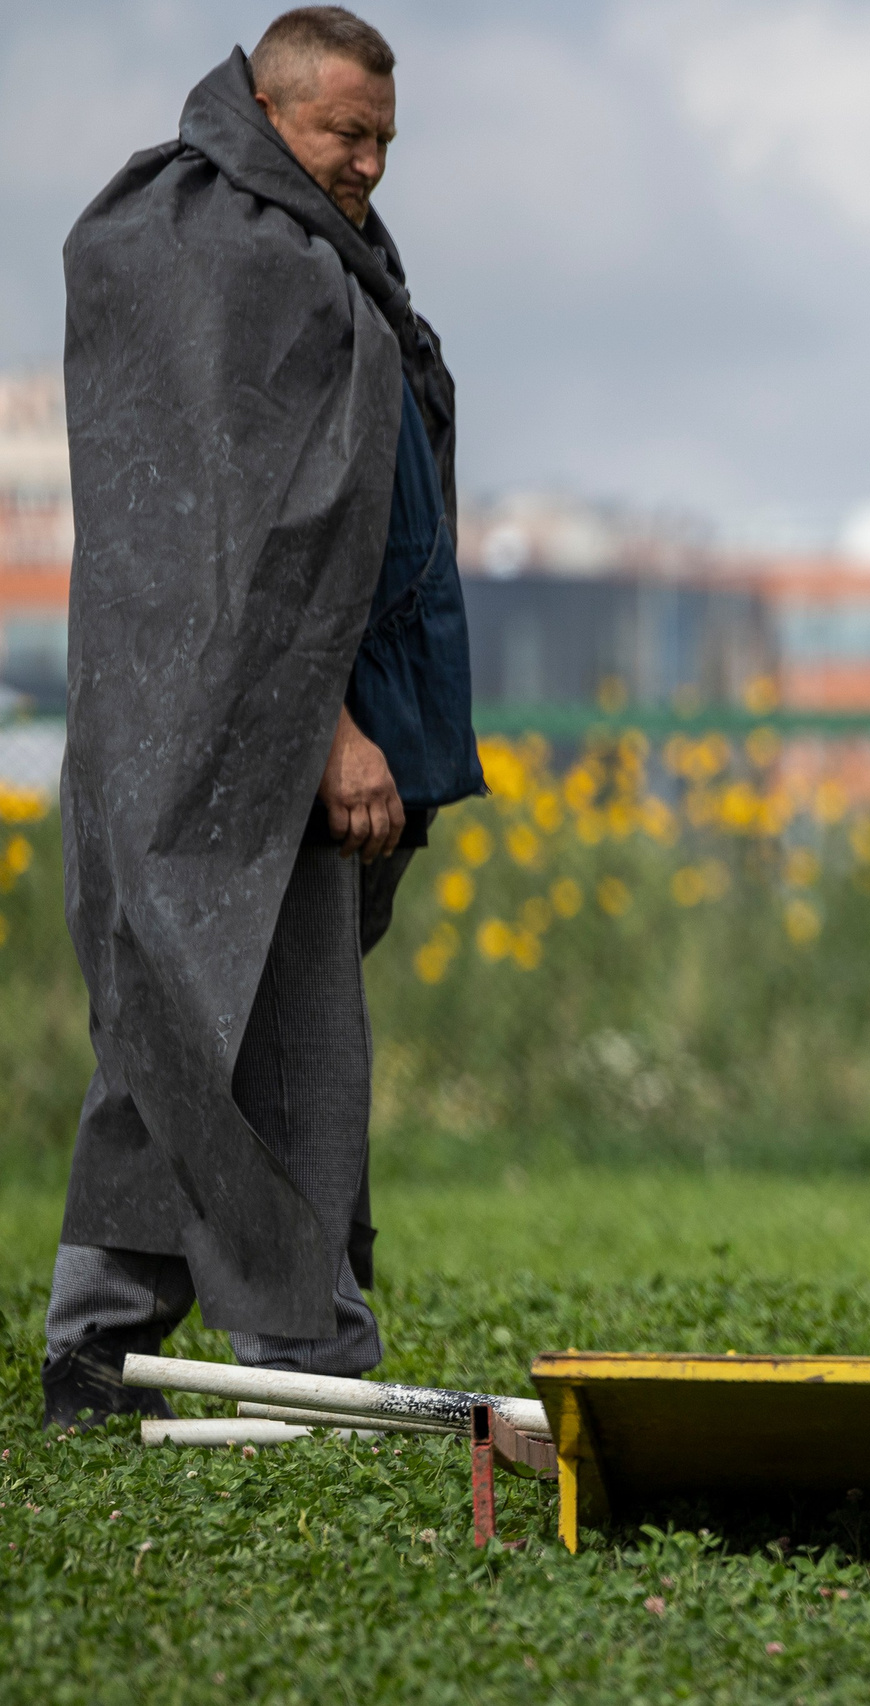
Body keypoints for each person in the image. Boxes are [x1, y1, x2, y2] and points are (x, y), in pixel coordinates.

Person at [41, 7, 483, 1427]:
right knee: (287, 1034)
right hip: (235, 734)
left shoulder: (307, 245)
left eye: (383, 142)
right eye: (344, 134)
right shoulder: (214, 247)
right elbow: (232, 546)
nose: (366, 165)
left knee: (184, 1019)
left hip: (265, 720)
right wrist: (332, 730)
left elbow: (322, 511)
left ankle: (96, 1342)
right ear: (267, 105)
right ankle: (312, 1355)